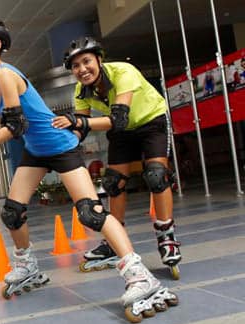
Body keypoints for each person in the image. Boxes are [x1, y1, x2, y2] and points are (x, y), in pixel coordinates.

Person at [0, 15, 178, 323]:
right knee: (12, 212)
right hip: (36, 151)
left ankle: (139, 275)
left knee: (91, 213)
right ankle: (27, 265)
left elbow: (16, 126)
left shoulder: (5, 75)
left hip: (60, 147)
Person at [54, 37, 182, 281]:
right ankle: (114, 241)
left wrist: (78, 122)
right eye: (76, 66)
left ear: (99, 60)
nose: (82, 69)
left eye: (86, 61)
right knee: (113, 183)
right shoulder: (81, 90)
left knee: (157, 176)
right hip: (122, 131)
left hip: (151, 120)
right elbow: (82, 129)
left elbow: (117, 118)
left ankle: (166, 235)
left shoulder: (124, 72)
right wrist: (64, 142)